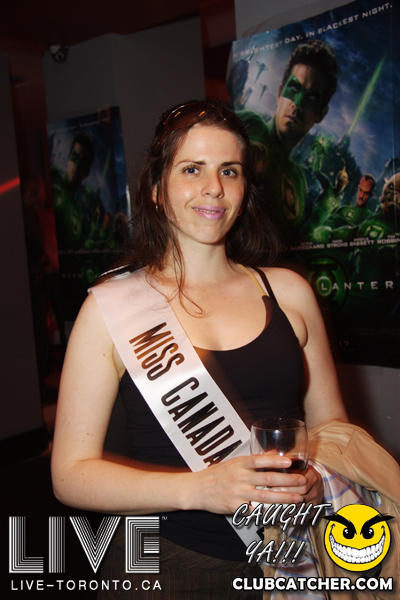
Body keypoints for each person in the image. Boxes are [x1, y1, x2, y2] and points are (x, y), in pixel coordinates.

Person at [51, 100, 350, 598]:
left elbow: (334, 430)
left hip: (289, 554)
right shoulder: (108, 310)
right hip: (166, 565)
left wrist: (318, 478)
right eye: (192, 169)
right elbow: (69, 475)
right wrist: (199, 489)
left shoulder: (289, 293)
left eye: (229, 171)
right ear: (156, 188)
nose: (214, 187)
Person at [238, 40, 338, 241]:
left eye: (311, 98)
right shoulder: (249, 126)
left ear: (321, 114)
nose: (297, 104)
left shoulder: (299, 180)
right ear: (279, 93)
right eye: (293, 88)